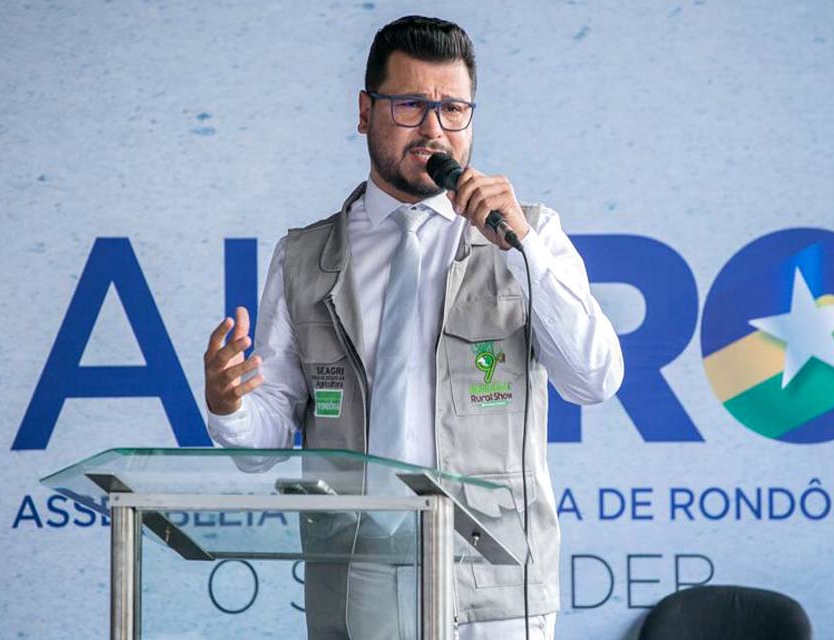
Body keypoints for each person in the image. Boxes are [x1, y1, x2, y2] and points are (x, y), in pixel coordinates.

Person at [204, 15, 623, 640]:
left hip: (494, 579)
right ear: (366, 111)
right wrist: (229, 406)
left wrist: (521, 248)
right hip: (355, 569)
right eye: (411, 106)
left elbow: (594, 379)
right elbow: (265, 436)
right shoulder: (302, 257)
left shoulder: (528, 236)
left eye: (453, 108)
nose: (434, 129)